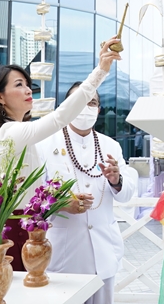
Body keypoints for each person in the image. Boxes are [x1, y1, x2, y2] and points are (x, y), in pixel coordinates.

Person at [0, 37, 121, 270]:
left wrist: (63, 201)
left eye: (27, 84)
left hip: (25, 228)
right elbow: (61, 116)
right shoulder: (10, 131)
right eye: (18, 84)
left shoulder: (20, 135)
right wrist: (100, 71)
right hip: (11, 232)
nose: (27, 89)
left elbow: (27, 191)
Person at [38, 83, 138, 304]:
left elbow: (127, 193)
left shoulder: (110, 145)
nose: (86, 107)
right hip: (64, 255)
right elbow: (33, 198)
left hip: (104, 251)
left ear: (99, 110)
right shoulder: (45, 145)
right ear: (67, 106)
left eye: (92, 102)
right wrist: (61, 203)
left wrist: (117, 180)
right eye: (80, 101)